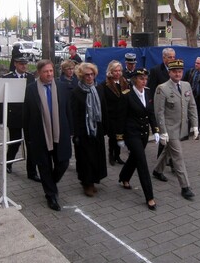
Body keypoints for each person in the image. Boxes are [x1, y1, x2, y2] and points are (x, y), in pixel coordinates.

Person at [23, 59, 73, 211]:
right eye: (46, 71)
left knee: (63, 162)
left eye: (51, 71)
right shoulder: (31, 89)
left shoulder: (63, 87)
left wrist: (71, 130)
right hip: (40, 134)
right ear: (39, 73)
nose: (49, 74)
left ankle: (50, 182)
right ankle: (51, 195)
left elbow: (68, 110)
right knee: (44, 166)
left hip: (60, 133)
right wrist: (28, 139)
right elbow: (27, 115)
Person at [152, 59, 199, 200]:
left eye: (180, 71)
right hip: (169, 129)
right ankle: (185, 187)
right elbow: (159, 112)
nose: (178, 74)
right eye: (175, 71)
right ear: (169, 72)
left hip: (181, 128)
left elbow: (192, 106)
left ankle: (157, 170)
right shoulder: (162, 88)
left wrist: (195, 125)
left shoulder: (186, 85)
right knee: (178, 156)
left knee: (169, 150)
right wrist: (163, 131)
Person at [118, 68, 159, 210]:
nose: (144, 81)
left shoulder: (147, 92)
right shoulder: (126, 95)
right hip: (131, 133)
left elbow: (151, 113)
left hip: (143, 134)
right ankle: (150, 197)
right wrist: (119, 137)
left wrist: (156, 130)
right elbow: (120, 117)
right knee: (142, 161)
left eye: (145, 79)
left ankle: (124, 176)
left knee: (135, 158)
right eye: (141, 78)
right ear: (135, 79)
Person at [0, 57, 39, 181]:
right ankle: (8, 163)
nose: (24, 66)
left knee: (31, 145)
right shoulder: (7, 78)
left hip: (29, 116)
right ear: (15, 64)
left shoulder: (31, 78)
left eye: (25, 64)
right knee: (15, 143)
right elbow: (1, 100)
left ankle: (32, 172)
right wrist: (1, 119)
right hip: (14, 116)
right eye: (21, 64)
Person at [71, 62, 108, 197]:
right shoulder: (76, 92)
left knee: (96, 155)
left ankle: (93, 179)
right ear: (81, 75)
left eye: (92, 74)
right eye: (87, 75)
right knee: (85, 157)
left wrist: (105, 127)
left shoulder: (99, 88)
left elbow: (103, 108)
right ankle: (87, 183)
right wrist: (75, 133)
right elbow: (74, 113)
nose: (90, 77)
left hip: (96, 128)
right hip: (83, 130)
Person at [99, 60, 129, 166]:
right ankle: (111, 155)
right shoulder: (105, 85)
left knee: (120, 136)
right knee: (113, 137)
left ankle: (117, 155)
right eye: (115, 71)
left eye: (119, 70)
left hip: (122, 115)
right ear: (110, 72)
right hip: (111, 116)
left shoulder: (124, 82)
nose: (118, 73)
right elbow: (103, 102)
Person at [148, 47, 176, 159]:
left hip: (174, 108)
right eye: (170, 57)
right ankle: (161, 161)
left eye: (174, 57)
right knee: (164, 135)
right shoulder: (156, 70)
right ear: (163, 58)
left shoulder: (176, 69)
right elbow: (151, 89)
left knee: (174, 136)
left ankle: (172, 159)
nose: (172, 59)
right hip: (162, 108)